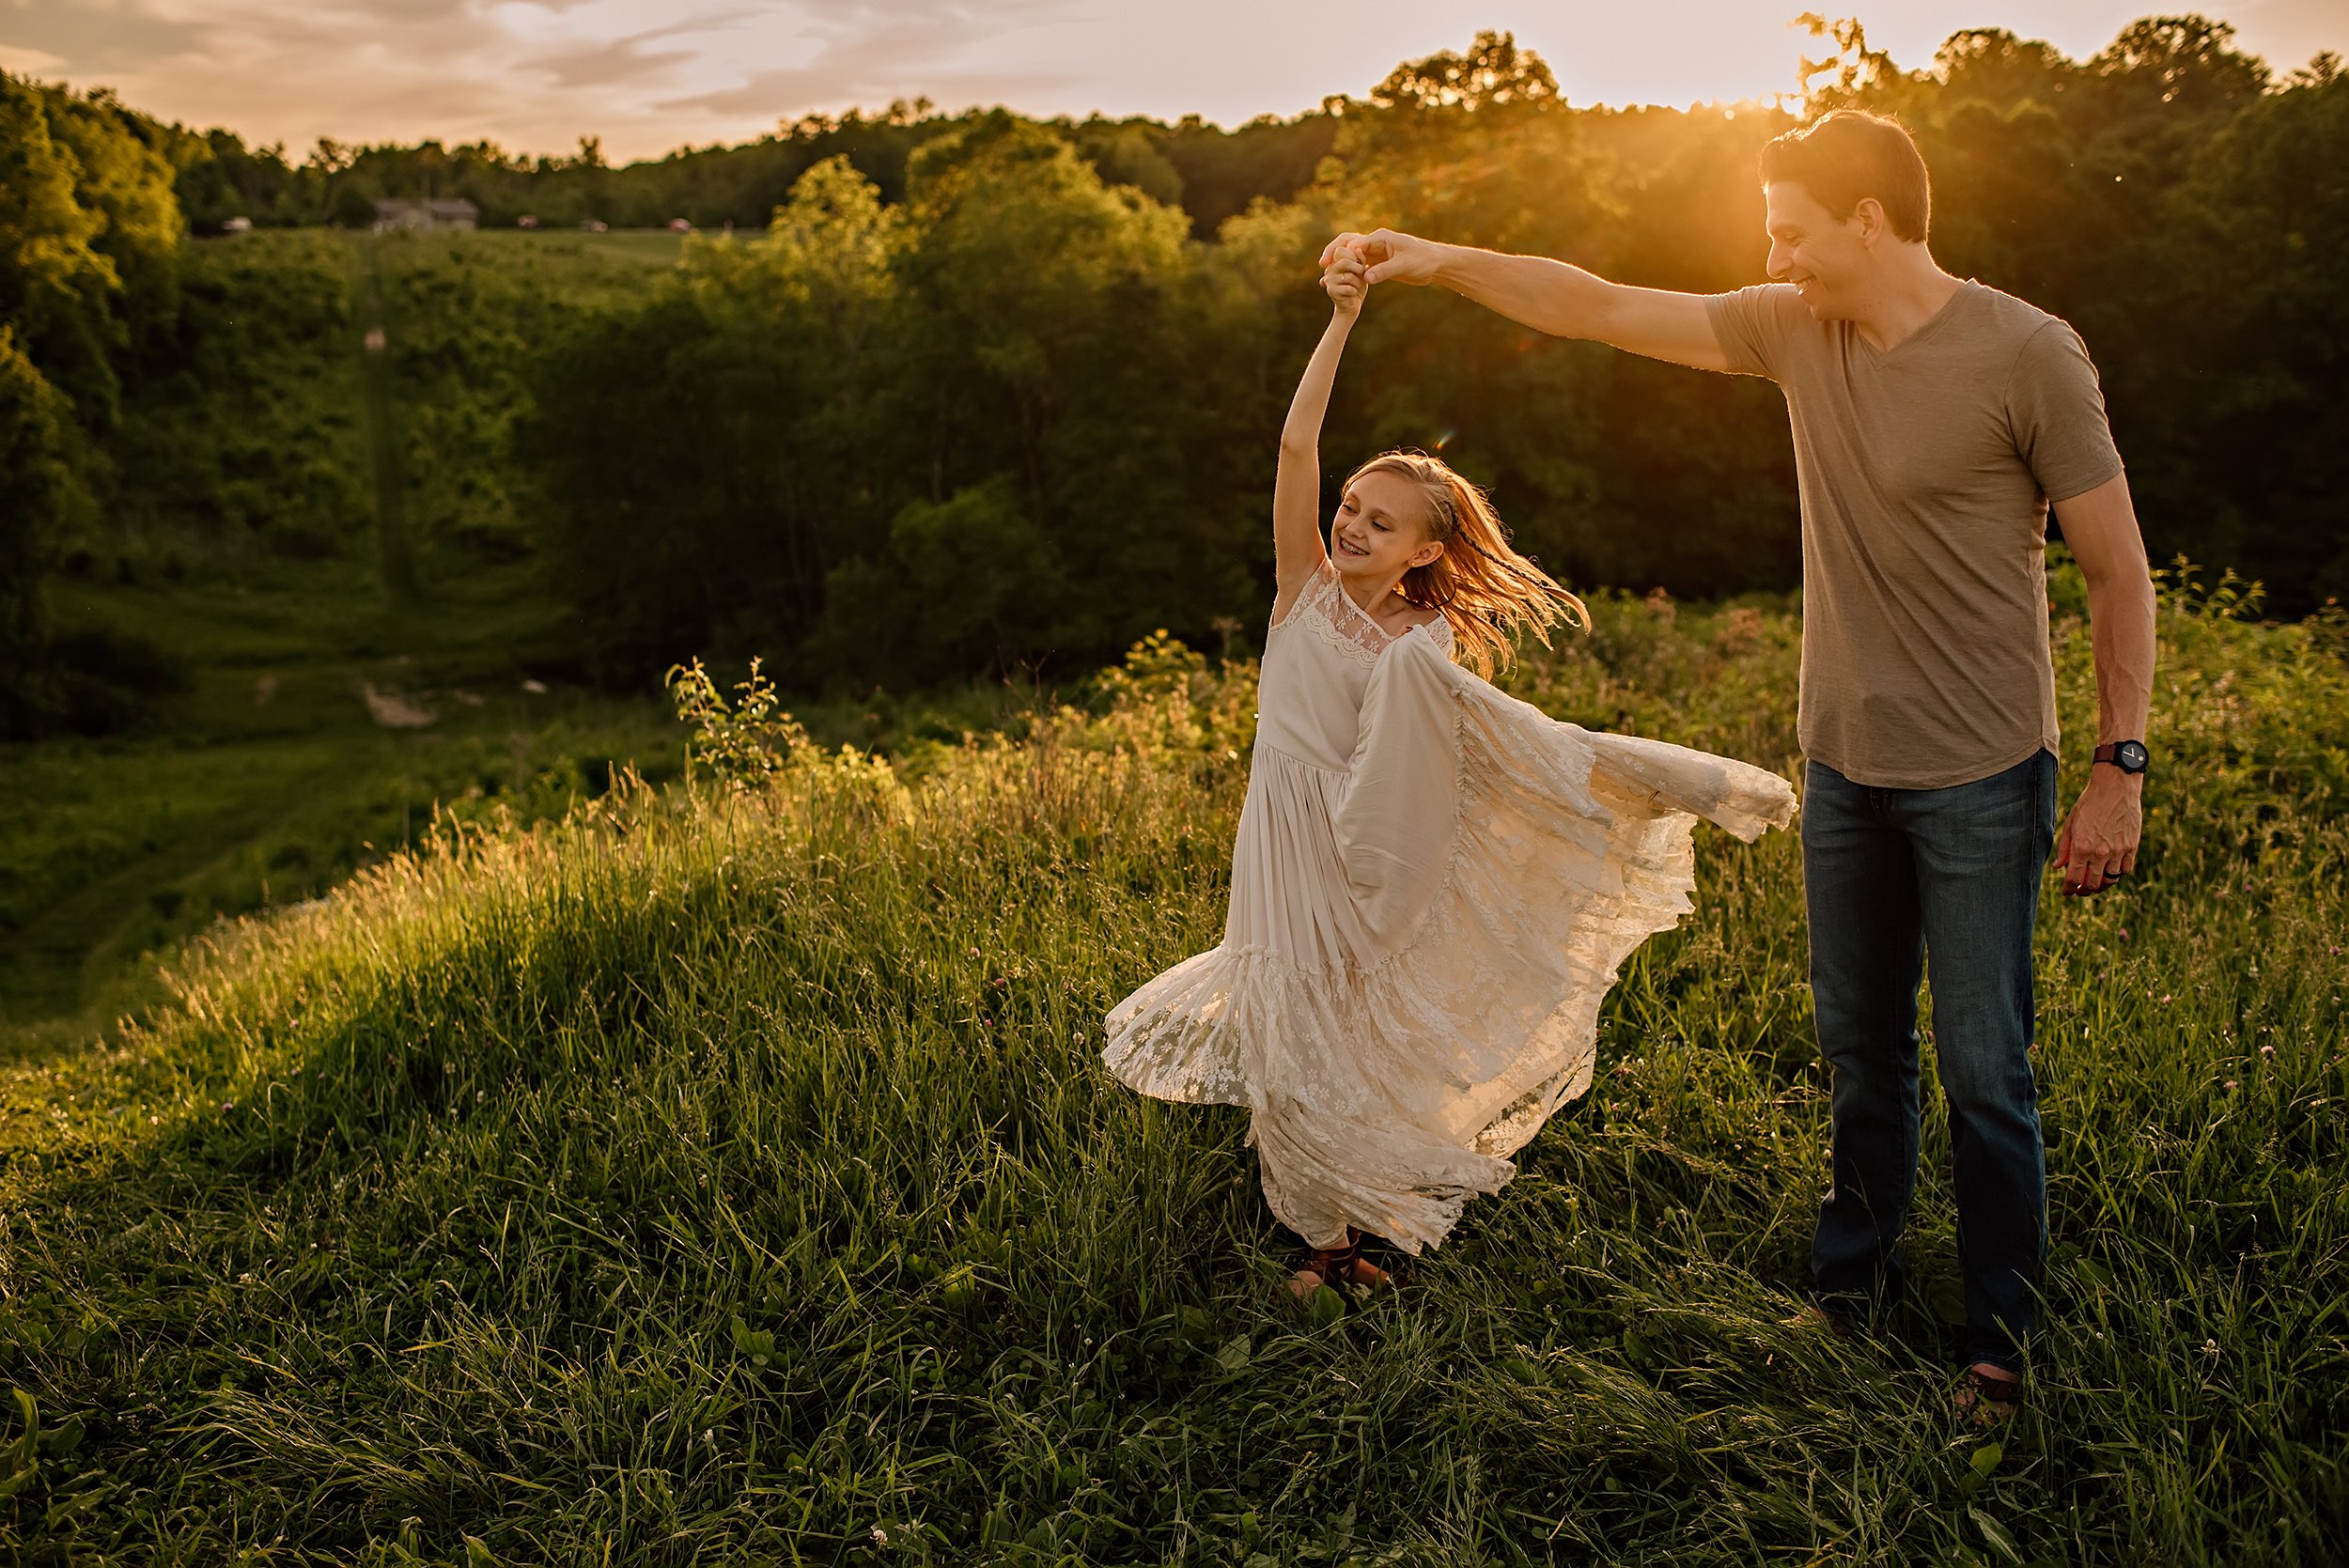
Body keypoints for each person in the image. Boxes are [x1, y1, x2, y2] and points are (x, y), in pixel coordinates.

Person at [1324, 109, 2157, 1418]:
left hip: (1986, 775)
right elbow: (1591, 303)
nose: (1778, 256)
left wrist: (2121, 766)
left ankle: (2002, 1343)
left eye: (1792, 232)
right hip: (1844, 768)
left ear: (1869, 219)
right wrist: (1427, 256)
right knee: (1857, 1047)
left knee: (1987, 1068)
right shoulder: (1793, 329)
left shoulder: (2029, 353)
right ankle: (1849, 1294)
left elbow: (2119, 569)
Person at [1101, 249, 1797, 1301]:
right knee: (1287, 1024)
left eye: (1381, 523)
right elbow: (1295, 441)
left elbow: (1471, 745)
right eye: (1351, 507)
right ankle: (1322, 1236)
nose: (1351, 526)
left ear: (1425, 552)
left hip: (1366, 847)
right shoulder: (1304, 590)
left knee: (1352, 1028)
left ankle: (1349, 1229)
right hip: (1283, 835)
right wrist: (1341, 319)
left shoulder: (1424, 647)